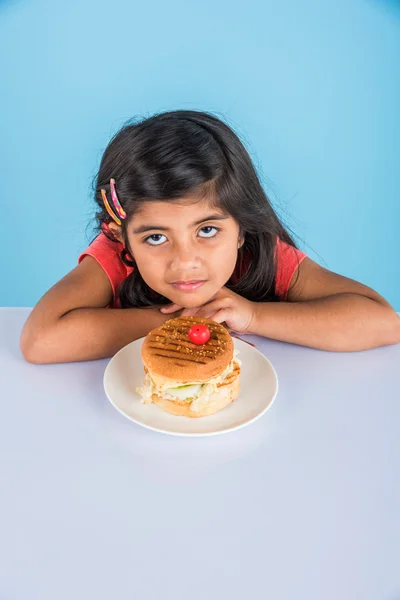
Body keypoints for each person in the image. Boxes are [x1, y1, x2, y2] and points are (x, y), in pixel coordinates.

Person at [20, 110, 400, 364]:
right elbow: (40, 341)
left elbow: (384, 322)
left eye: (207, 230)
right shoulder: (115, 254)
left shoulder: (260, 253)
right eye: (155, 237)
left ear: (240, 228)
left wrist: (252, 315)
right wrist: (178, 322)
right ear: (122, 237)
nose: (185, 260)